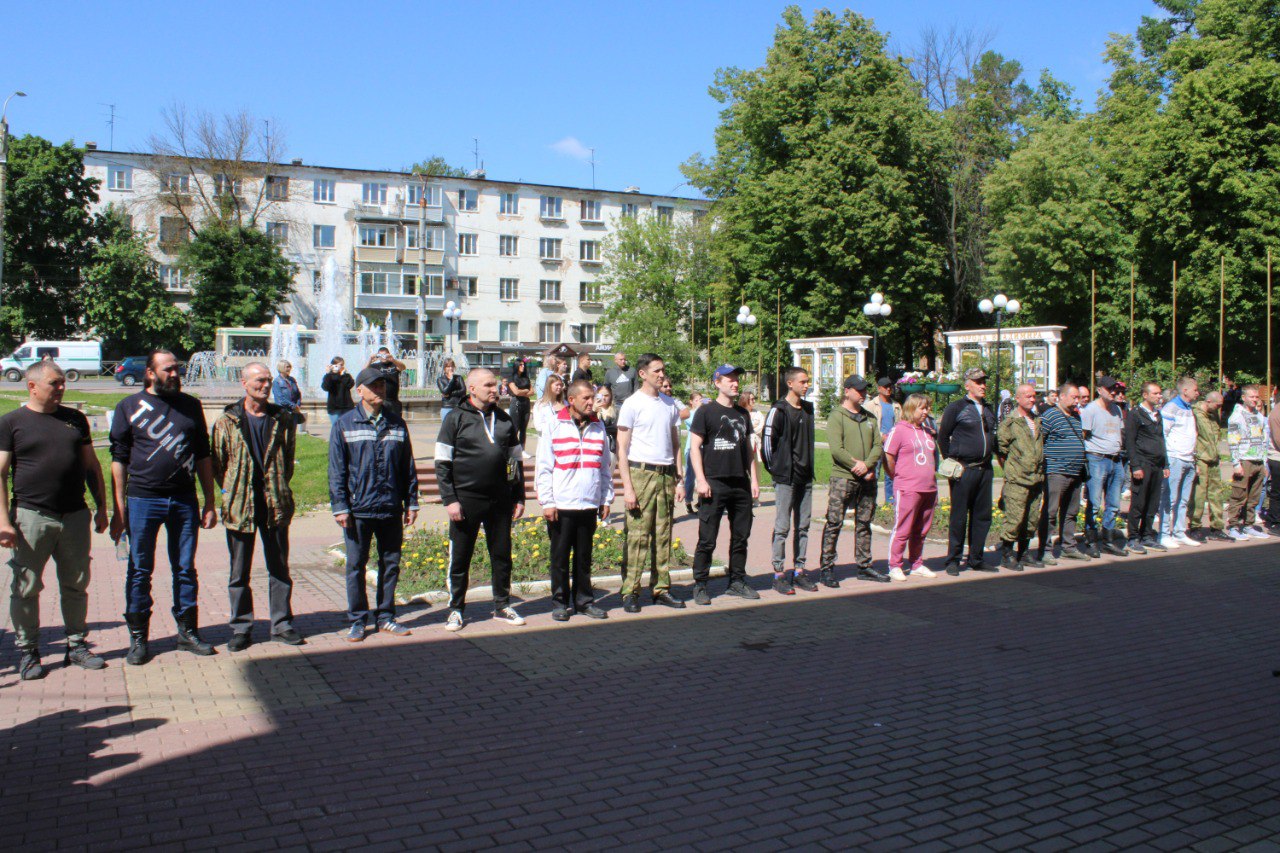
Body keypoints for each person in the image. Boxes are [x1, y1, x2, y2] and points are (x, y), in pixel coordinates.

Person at [0, 361, 109, 680]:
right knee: (26, 586)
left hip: (74, 515)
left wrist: (102, 507)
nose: (61, 387)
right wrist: (4, 521)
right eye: (54, 383)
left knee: (76, 584)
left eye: (62, 382)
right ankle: (28, 651)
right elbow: (0, 472)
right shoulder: (12, 423)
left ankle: (76, 644)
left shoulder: (75, 420)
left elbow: (92, 466)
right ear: (32, 386)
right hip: (31, 516)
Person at [109, 349, 219, 664]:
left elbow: (203, 454)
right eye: (168, 369)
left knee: (185, 568)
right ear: (150, 373)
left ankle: (187, 633)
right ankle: (139, 638)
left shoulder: (190, 405)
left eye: (177, 369)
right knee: (140, 569)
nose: (175, 374)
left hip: (184, 499)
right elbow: (119, 459)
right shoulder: (129, 407)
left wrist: (209, 500)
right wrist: (119, 508)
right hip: (143, 498)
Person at [211, 362, 304, 650]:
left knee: (279, 568)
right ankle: (241, 627)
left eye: (267, 381)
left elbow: (288, 459)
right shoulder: (227, 420)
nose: (264, 386)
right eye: (259, 380)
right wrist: (229, 490)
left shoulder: (281, 418)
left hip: (274, 504)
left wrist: (278, 485)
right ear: (244, 382)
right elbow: (218, 463)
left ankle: (281, 624)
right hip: (240, 506)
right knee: (239, 572)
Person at [329, 367, 419, 641]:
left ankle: (385, 616)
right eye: (374, 386)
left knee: (390, 564)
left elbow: (407, 467)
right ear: (360, 391)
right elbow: (337, 471)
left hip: (390, 506)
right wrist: (340, 506)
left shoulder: (396, 423)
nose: (380, 390)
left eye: (382, 385)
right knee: (356, 565)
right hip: (358, 510)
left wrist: (411, 502)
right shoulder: (345, 424)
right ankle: (357, 619)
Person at [436, 368, 526, 631]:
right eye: (488, 385)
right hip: (466, 499)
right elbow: (442, 462)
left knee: (501, 555)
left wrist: (518, 496)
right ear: (472, 389)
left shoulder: (505, 420)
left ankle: (502, 605)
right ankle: (455, 609)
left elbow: (514, 461)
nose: (494, 389)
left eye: (495, 384)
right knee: (461, 556)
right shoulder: (455, 418)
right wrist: (450, 499)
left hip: (499, 500)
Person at [535, 379, 612, 621]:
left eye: (593, 397)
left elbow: (605, 468)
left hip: (588, 503)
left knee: (583, 557)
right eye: (586, 398)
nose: (592, 402)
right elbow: (544, 467)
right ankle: (559, 603)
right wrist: (547, 502)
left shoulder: (599, 427)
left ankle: (584, 601)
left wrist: (606, 499)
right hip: (562, 505)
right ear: (572, 400)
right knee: (559, 558)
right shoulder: (554, 425)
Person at [616, 353, 686, 612]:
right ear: (643, 374)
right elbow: (621, 449)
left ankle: (661, 588)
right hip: (640, 474)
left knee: (663, 534)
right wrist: (628, 488)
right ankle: (630, 591)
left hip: (666, 475)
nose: (661, 375)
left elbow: (676, 444)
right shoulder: (632, 404)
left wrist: (680, 479)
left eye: (663, 370)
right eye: (656, 370)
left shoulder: (669, 404)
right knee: (637, 536)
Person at [688, 365, 760, 602]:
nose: (735, 383)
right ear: (717, 382)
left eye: (737, 379)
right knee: (707, 538)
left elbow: (749, 450)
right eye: (729, 379)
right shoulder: (706, 412)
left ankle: (737, 581)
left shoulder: (742, 414)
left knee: (741, 537)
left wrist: (754, 480)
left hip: (740, 484)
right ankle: (700, 585)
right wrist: (700, 479)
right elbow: (695, 447)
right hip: (714, 483)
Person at [818, 375, 887, 585]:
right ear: (847, 391)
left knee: (864, 522)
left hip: (867, 478)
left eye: (865, 389)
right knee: (834, 522)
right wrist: (857, 466)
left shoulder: (869, 418)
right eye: (859, 390)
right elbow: (837, 450)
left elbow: (878, 445)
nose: (863, 393)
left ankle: (864, 565)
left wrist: (868, 464)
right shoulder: (837, 416)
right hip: (843, 478)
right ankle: (827, 567)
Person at [937, 367, 997, 575]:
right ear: (967, 384)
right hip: (964, 470)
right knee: (959, 515)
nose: (983, 385)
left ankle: (976, 558)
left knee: (982, 515)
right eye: (978, 382)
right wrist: (951, 462)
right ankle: (953, 559)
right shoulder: (957, 408)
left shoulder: (989, 408)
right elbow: (943, 436)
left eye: (984, 381)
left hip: (985, 469)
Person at [762, 367, 817, 593]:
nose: (806, 385)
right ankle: (778, 573)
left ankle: (800, 570)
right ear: (790, 384)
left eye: (807, 381)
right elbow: (767, 444)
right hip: (786, 478)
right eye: (802, 382)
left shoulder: (808, 409)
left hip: (806, 478)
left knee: (803, 526)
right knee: (782, 526)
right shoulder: (779, 410)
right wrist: (776, 470)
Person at [882, 393, 938, 581]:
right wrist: (896, 475)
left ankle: (916, 563)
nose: (926, 412)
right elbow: (888, 455)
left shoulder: (927, 430)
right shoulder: (899, 430)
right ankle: (895, 565)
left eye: (927, 408)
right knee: (903, 527)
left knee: (921, 529)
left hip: (928, 488)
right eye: (922, 408)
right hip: (908, 487)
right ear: (911, 408)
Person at [1036, 383, 1089, 563]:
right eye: (1074, 397)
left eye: (1079, 398)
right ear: (1062, 396)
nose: (1077, 401)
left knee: (1071, 512)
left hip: (1075, 472)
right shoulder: (1050, 415)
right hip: (1056, 471)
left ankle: (1068, 546)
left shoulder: (1076, 416)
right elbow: (1040, 441)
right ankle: (1045, 549)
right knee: (1050, 512)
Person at [996, 383, 1045, 570]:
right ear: (1017, 398)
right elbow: (1002, 450)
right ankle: (1007, 555)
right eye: (1027, 396)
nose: (1032, 399)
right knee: (1014, 518)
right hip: (1018, 479)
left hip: (1036, 478)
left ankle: (1024, 553)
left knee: (1031, 518)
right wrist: (1013, 469)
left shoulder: (1037, 420)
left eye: (1034, 396)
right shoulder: (1010, 422)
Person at [1081, 377, 1129, 557]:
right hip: (1097, 459)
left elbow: (1119, 432)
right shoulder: (1091, 410)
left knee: (1114, 503)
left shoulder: (1116, 409)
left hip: (1116, 460)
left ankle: (1108, 540)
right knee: (1094, 502)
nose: (1114, 392)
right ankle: (1091, 540)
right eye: (1110, 389)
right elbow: (1083, 436)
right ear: (1099, 390)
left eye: (1116, 389)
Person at [1123, 381, 1170, 554]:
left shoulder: (1157, 415)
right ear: (1145, 395)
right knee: (1139, 502)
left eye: (1160, 393)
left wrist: (1165, 463)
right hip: (1142, 463)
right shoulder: (1135, 414)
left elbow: (1161, 439)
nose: (1159, 396)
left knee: (1153, 502)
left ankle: (1147, 535)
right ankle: (1133, 537)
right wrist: (1135, 466)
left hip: (1157, 465)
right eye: (1156, 393)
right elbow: (1130, 441)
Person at [1159, 377, 1200, 549]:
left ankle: (1179, 531)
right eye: (1195, 390)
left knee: (1184, 499)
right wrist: (1167, 462)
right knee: (1171, 498)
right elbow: (1163, 435)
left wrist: (1194, 457)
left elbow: (1191, 434)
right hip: (1175, 458)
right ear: (1185, 391)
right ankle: (1164, 533)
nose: (1198, 393)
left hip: (1189, 458)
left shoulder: (1189, 408)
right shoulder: (1171, 408)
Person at [1225, 384, 1269, 540]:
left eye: (1257, 397)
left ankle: (1249, 525)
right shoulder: (1237, 416)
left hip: (1258, 460)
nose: (1255, 400)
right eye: (1252, 397)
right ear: (1243, 398)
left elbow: (1264, 440)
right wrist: (1236, 464)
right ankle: (1233, 526)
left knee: (1254, 496)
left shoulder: (1259, 416)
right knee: (1239, 495)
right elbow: (1232, 441)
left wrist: (1264, 461)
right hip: (1244, 460)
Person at [1188, 391, 1231, 542]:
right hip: (1200, 458)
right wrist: (1194, 459)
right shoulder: (1195, 413)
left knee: (1216, 494)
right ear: (1208, 401)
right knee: (1198, 495)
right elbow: (1192, 436)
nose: (1219, 408)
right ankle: (1195, 526)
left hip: (1213, 458)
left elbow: (1216, 436)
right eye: (1217, 405)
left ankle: (1217, 527)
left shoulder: (1214, 415)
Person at [866, 377, 901, 507]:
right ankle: (870, 502)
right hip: (876, 444)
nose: (888, 389)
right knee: (874, 473)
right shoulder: (870, 405)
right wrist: (881, 436)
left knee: (891, 473)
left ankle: (890, 501)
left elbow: (899, 424)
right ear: (879, 388)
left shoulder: (896, 406)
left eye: (890, 386)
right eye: (885, 387)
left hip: (892, 445)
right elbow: (867, 425)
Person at [681, 391, 705, 514]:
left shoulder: (704, 411)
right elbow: (695, 423)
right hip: (691, 448)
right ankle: (688, 501)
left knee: (705, 475)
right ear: (691, 402)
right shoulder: (689, 414)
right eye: (697, 400)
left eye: (701, 399)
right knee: (690, 476)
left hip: (704, 448)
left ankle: (702, 501)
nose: (699, 401)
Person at [506, 359, 534, 457]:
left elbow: (532, 392)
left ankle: (522, 449)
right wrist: (526, 391)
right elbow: (515, 392)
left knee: (523, 428)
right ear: (516, 365)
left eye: (523, 364)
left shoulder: (526, 378)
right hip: (516, 403)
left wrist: (522, 392)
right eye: (521, 364)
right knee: (515, 427)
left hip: (526, 403)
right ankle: (512, 448)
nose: (523, 366)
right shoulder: (511, 378)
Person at [368, 347, 406, 416]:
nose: (383, 357)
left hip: (394, 400)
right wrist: (370, 360)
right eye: (380, 355)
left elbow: (403, 367)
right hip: (381, 400)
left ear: (388, 354)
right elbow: (363, 371)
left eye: (385, 355)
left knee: (396, 422)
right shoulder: (375, 366)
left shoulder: (394, 365)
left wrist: (393, 360)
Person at [320, 357, 355, 427]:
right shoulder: (329, 376)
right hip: (334, 407)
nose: (340, 367)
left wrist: (343, 374)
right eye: (338, 365)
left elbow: (350, 385)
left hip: (347, 406)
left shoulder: (346, 376)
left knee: (347, 427)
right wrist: (328, 374)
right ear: (332, 365)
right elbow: (325, 387)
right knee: (336, 428)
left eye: (342, 365)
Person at [436, 358, 465, 423]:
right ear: (444, 368)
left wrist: (449, 394)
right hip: (447, 407)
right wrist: (451, 380)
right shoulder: (440, 379)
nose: (450, 368)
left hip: (458, 406)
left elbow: (463, 391)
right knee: (447, 429)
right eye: (448, 366)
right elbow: (444, 391)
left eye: (452, 366)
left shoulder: (459, 378)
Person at [1267, 393, 1280, 533]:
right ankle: (1274, 521)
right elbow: (1278, 440)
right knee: (1277, 492)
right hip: (1277, 458)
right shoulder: (1276, 413)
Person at [596, 384, 618, 454]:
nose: (603, 398)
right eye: (601, 395)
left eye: (606, 395)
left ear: (610, 396)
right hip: (598, 447)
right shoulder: (592, 411)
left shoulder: (617, 411)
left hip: (613, 448)